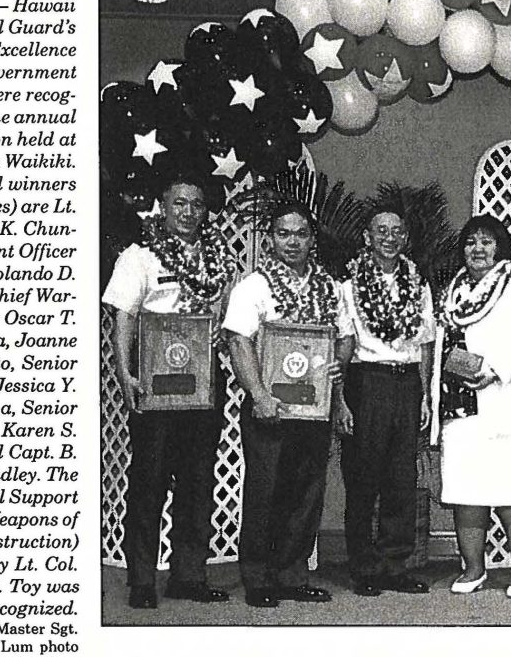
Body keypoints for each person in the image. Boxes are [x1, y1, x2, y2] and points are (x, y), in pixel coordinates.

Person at [102, 172, 237, 609]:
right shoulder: (138, 257)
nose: (189, 213)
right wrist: (125, 373)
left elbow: (224, 317)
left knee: (198, 482)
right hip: (155, 381)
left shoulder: (220, 258)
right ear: (163, 206)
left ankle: (188, 576)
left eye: (197, 204)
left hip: (202, 384)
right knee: (149, 481)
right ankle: (142, 580)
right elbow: (123, 318)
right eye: (180, 203)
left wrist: (216, 334)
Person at [223, 202, 355, 608]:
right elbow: (237, 341)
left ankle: (293, 575)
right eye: (284, 233)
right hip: (270, 408)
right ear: (272, 239)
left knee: (306, 492)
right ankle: (259, 579)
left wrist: (339, 362)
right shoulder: (254, 287)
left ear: (311, 239)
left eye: (300, 234)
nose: (292, 241)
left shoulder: (328, 286)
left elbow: (345, 336)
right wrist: (259, 395)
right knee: (266, 492)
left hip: (313, 409)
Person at [436, 215, 511, 599]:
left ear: (501, 246)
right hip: (461, 408)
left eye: (487, 241)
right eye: (471, 242)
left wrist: (496, 371)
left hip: (508, 402)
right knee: (466, 490)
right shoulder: (452, 291)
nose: (478, 249)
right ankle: (473, 568)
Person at [338, 203, 435, 597]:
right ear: (367, 237)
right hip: (368, 380)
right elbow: (343, 346)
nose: (390, 237)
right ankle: (364, 567)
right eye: (382, 230)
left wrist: (425, 394)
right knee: (363, 478)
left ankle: (396, 565)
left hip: (407, 382)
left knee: (401, 478)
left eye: (397, 231)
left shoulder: (419, 284)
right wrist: (341, 398)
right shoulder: (348, 286)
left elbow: (426, 344)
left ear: (405, 238)